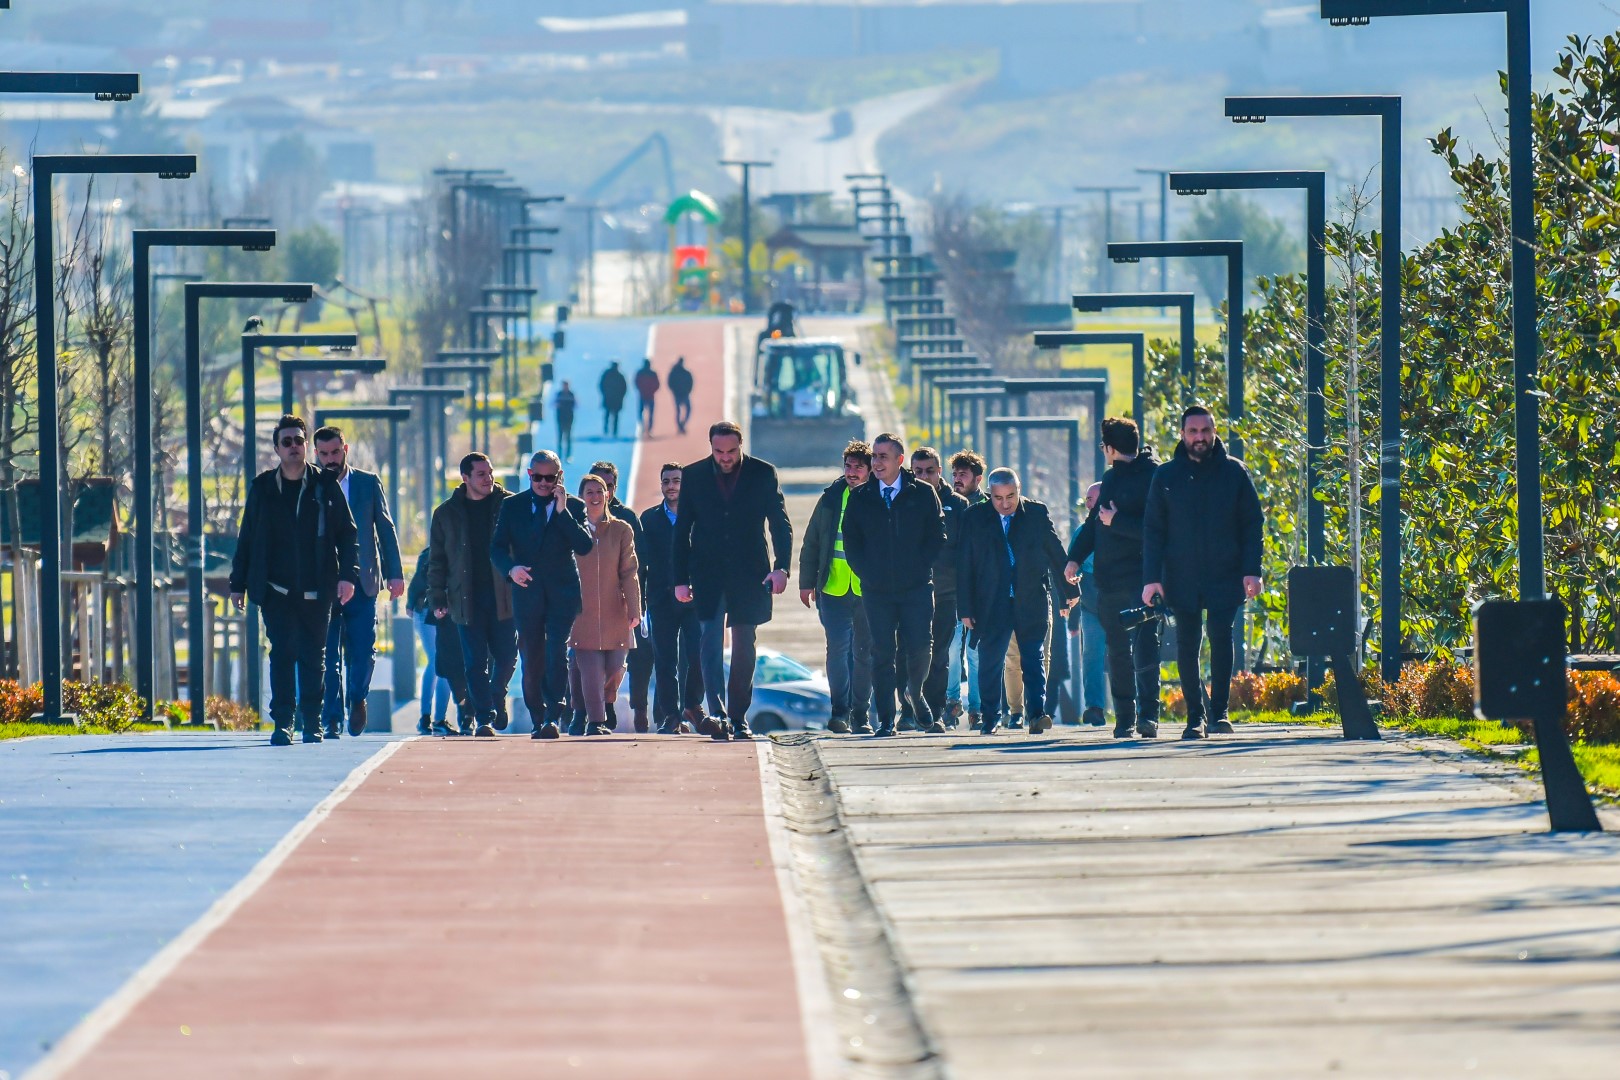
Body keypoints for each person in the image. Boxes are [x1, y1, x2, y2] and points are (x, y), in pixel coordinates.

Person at [229, 415, 359, 746]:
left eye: (298, 441)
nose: (293, 448)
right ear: (276, 448)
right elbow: (247, 537)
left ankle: (312, 722)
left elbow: (347, 534)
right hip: (275, 589)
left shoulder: (324, 486)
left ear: (306, 446)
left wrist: (347, 577)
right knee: (282, 653)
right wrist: (237, 583)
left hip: (318, 588)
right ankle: (283, 721)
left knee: (314, 656)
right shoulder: (262, 488)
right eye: (286, 442)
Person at [1143, 406, 1264, 740]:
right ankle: (1194, 717)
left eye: (1205, 431)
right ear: (1182, 434)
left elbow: (1252, 523)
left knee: (1221, 636)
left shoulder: (1234, 473)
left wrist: (1252, 570)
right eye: (1193, 431)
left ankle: (1220, 713)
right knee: (1187, 642)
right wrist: (1151, 578)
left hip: (1226, 572)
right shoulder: (1165, 476)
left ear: (1215, 432)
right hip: (1180, 576)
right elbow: (1153, 530)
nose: (1199, 437)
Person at [672, 420, 794, 742]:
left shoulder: (763, 473)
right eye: (718, 451)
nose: (725, 458)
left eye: (731, 451)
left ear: (741, 445)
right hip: (707, 573)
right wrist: (680, 579)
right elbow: (682, 530)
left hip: (750, 574)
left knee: (744, 646)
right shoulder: (695, 475)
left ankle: (738, 716)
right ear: (710, 447)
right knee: (709, 642)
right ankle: (717, 713)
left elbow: (779, 523)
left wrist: (782, 567)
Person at [958, 467, 1078, 736]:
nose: (1005, 504)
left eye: (1010, 496)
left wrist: (1069, 590)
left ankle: (1036, 714)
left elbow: (1055, 552)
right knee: (991, 660)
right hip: (991, 602)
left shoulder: (1035, 514)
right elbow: (964, 563)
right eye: (998, 498)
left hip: (1030, 599)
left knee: (1033, 659)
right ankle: (990, 716)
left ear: (1019, 490)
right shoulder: (975, 517)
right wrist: (965, 607)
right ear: (990, 495)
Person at [843, 433, 945, 737]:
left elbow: (937, 535)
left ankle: (915, 692)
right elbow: (852, 542)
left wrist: (920, 566)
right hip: (877, 591)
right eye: (874, 456)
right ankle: (886, 720)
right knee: (882, 653)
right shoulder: (861, 498)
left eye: (883, 457)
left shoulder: (923, 494)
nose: (875, 462)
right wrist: (867, 574)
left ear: (900, 460)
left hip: (915, 587)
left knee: (919, 647)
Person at [1066, 416, 1162, 739]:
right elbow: (1095, 523)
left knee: (1146, 648)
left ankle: (1149, 714)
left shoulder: (1153, 477)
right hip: (1110, 583)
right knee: (1117, 652)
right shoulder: (1110, 479)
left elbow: (1157, 531)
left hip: (1143, 580)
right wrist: (1074, 559)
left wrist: (1117, 521)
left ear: (1109, 448)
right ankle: (1125, 718)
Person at [490, 450, 593, 740]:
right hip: (526, 592)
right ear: (529, 475)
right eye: (538, 477)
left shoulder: (572, 506)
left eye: (550, 478)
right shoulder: (513, 506)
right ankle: (537, 715)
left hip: (563, 592)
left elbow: (584, 546)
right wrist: (511, 569)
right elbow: (497, 548)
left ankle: (553, 715)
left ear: (559, 477)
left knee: (556, 651)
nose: (544, 483)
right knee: (532, 655)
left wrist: (562, 513)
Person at [312, 426, 404, 739]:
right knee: (327, 654)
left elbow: (385, 529)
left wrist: (395, 573)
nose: (330, 459)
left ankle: (358, 698)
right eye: (323, 454)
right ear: (316, 454)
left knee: (363, 650)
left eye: (335, 452)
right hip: (324, 584)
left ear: (345, 450)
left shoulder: (366, 483)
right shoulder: (311, 485)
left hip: (363, 582)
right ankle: (332, 717)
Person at [428, 453, 517, 739]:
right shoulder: (446, 513)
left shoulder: (509, 505)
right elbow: (437, 560)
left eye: (490, 472)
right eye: (481, 474)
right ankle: (484, 717)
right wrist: (438, 599)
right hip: (465, 598)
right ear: (465, 478)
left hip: (504, 595)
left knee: (506, 656)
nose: (488, 478)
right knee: (474, 661)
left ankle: (496, 694)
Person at [798, 440, 875, 735]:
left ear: (869, 470)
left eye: (858, 467)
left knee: (864, 653)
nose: (852, 472)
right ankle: (839, 712)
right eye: (848, 466)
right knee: (838, 650)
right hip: (833, 588)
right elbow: (812, 541)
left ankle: (861, 714)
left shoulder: (878, 498)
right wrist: (806, 583)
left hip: (867, 590)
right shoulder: (831, 497)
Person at [568, 474, 641, 736]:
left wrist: (634, 609)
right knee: (590, 668)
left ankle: (589, 707)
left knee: (615, 666)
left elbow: (629, 571)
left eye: (600, 491)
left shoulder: (622, 529)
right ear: (581, 497)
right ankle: (593, 721)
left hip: (614, 610)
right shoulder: (573, 529)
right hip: (580, 611)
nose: (596, 496)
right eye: (589, 492)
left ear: (607, 495)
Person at [641, 462, 706, 734]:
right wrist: (643, 602)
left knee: (697, 655)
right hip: (661, 600)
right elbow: (641, 561)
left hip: (695, 600)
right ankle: (670, 715)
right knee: (665, 661)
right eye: (666, 481)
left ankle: (692, 705)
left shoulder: (700, 516)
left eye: (676, 481)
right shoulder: (649, 519)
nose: (671, 486)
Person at [589, 460, 653, 731]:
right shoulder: (578, 516)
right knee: (592, 658)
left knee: (639, 656)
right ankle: (601, 706)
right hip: (590, 603)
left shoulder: (627, 518)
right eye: (599, 486)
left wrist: (640, 605)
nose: (605, 493)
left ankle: (639, 707)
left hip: (624, 601)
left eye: (610, 486)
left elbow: (642, 563)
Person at [910, 447, 969, 727]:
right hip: (910, 591)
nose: (923, 477)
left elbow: (967, 553)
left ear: (939, 473)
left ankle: (933, 712)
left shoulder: (957, 505)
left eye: (929, 471)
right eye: (917, 472)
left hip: (946, 593)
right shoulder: (904, 499)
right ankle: (909, 711)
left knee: (940, 654)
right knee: (910, 652)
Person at [407, 546, 469, 737]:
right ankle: (436, 719)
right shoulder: (437, 552)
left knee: (439, 663)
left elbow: (417, 582)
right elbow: (421, 582)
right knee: (440, 663)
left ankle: (430, 718)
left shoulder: (430, 551)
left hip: (428, 611)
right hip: (429, 611)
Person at [945, 450, 986, 726]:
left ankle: (977, 707)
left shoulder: (985, 506)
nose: (958, 479)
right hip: (952, 587)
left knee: (975, 651)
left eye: (963, 475)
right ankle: (951, 700)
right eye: (955, 474)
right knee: (951, 647)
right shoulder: (947, 503)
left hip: (978, 589)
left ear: (977, 478)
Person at [599, 360, 628, 438]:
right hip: (615, 399)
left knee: (608, 415)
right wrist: (621, 396)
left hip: (610, 398)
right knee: (614, 416)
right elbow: (624, 388)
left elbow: (601, 385)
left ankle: (607, 429)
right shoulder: (619, 376)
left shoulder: (607, 375)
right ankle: (613, 431)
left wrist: (604, 394)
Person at [667, 357, 694, 435]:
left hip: (683, 394)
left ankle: (681, 425)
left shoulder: (683, 372)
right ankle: (680, 425)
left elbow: (691, 382)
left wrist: (688, 391)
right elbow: (670, 382)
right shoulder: (676, 372)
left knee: (684, 410)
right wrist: (675, 391)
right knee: (681, 411)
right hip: (679, 394)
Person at [634, 358, 660, 436]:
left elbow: (636, 382)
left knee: (643, 413)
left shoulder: (641, 373)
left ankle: (645, 428)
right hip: (648, 396)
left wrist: (642, 390)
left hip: (645, 396)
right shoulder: (652, 373)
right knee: (649, 414)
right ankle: (647, 429)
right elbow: (657, 384)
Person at [554, 381, 577, 461]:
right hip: (560, 418)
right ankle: (559, 455)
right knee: (560, 437)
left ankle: (568, 455)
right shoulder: (559, 394)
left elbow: (575, 404)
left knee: (568, 437)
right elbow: (554, 404)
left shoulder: (571, 394)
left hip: (569, 418)